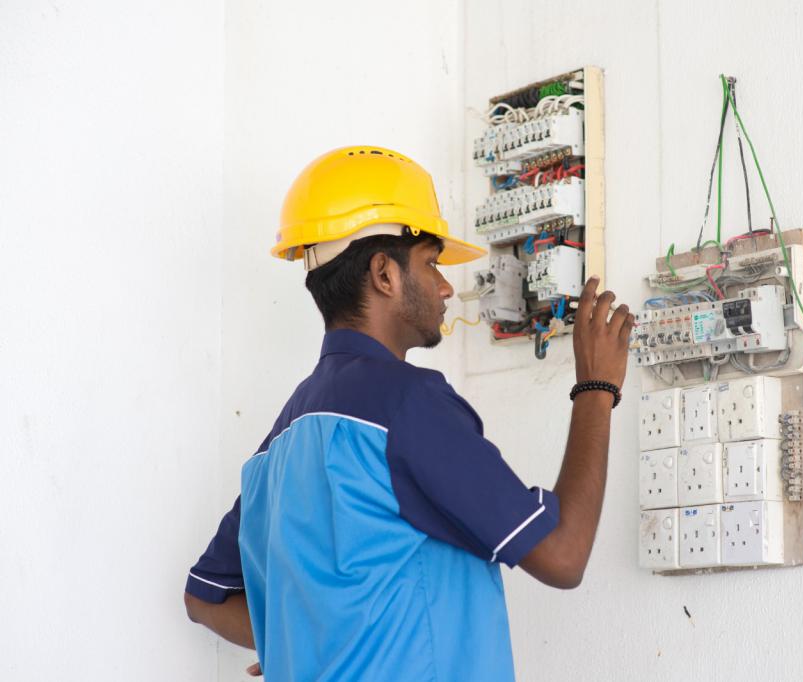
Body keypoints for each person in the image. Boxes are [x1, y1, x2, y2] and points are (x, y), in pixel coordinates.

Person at [183, 146, 632, 680]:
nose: (446, 287)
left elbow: (204, 598)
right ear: (384, 274)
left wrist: (307, 637)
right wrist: (597, 387)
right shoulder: (407, 405)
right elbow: (563, 555)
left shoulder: (279, 442)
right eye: (431, 263)